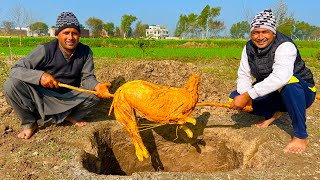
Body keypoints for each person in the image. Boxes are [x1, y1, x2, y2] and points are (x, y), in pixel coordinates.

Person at [3, 12, 112, 139]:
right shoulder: (45, 50)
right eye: (66, 33)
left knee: (95, 97)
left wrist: (97, 86)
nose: (70, 37)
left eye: (74, 33)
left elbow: (87, 78)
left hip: (69, 97)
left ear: (79, 35)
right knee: (10, 85)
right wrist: (40, 76)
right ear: (57, 34)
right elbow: (15, 70)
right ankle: (30, 123)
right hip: (43, 96)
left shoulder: (85, 52)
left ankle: (64, 116)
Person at [229, 9, 316, 153]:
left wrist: (249, 95)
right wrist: (245, 96)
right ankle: (273, 113)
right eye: (255, 32)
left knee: (289, 83)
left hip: (302, 91)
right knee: (235, 96)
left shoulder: (285, 46)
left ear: (273, 33)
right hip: (275, 91)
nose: (260, 37)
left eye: (265, 32)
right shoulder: (248, 47)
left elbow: (281, 77)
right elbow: (244, 74)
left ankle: (301, 136)